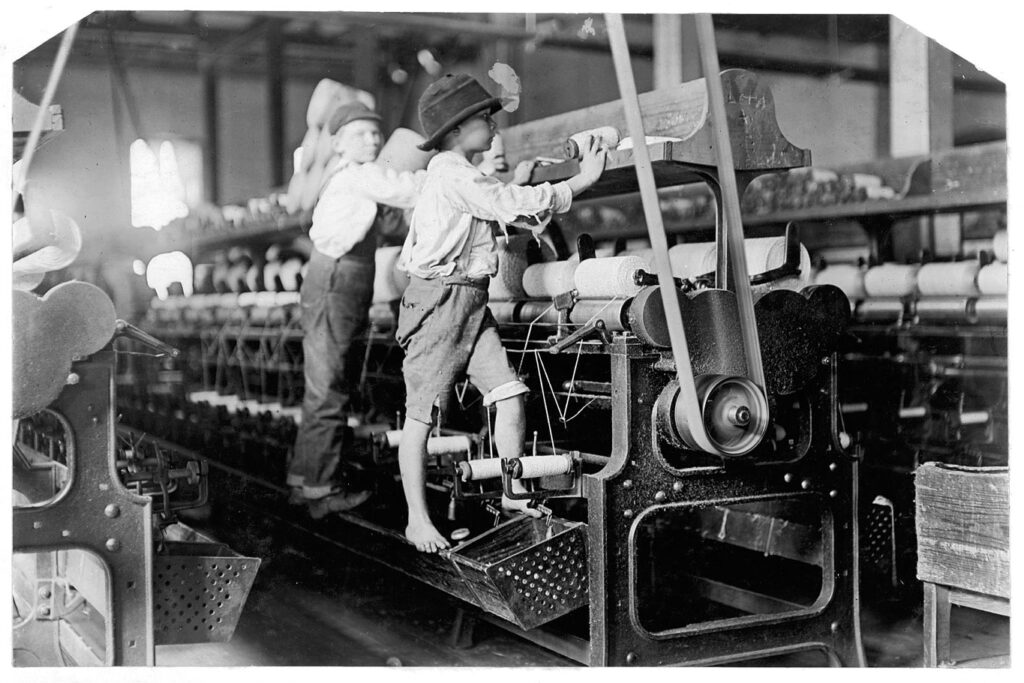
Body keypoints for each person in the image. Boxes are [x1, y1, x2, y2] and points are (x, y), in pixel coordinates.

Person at [395, 74, 607, 552]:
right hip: (439, 304)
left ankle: (512, 492)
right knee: (421, 418)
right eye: (484, 118)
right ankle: (416, 520)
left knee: (509, 393)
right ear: (454, 131)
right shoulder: (452, 172)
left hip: (470, 300)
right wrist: (581, 181)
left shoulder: (464, 173)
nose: (494, 126)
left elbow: (506, 203)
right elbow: (509, 203)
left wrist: (535, 185)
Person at [288, 101, 423, 519]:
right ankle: (321, 492)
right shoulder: (359, 175)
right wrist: (457, 173)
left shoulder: (350, 179)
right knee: (328, 388)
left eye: (375, 132)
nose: (373, 139)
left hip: (337, 280)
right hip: (337, 282)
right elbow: (410, 189)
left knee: (326, 386)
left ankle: (305, 480)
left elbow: (389, 224)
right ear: (337, 143)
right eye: (360, 133)